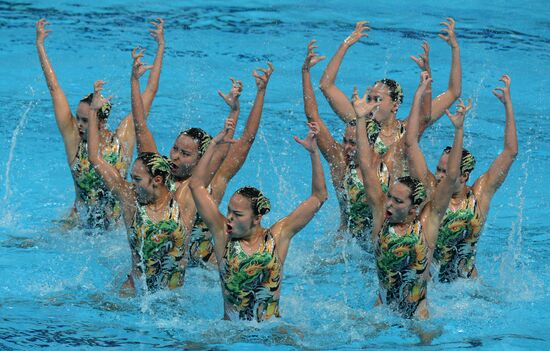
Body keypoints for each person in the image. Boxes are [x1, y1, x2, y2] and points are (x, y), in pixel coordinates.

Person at [131, 51, 274, 266]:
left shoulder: (212, 186)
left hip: (203, 269)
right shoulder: (158, 174)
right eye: (175, 149)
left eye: (186, 154)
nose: (175, 157)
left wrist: (254, 96)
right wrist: (134, 81)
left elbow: (246, 140)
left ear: (201, 160)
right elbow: (140, 128)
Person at [354, 71, 468, 319]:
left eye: (397, 200)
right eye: (389, 198)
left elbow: (449, 178)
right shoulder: (379, 219)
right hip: (381, 313)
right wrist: (361, 119)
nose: (389, 204)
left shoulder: (427, 225)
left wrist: (458, 130)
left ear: (414, 207)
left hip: (419, 316)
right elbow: (365, 164)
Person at [189, 122, 328, 321]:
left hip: (271, 330)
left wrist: (314, 153)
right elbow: (196, 185)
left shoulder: (277, 237)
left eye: (237, 214)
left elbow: (319, 196)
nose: (229, 217)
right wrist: (213, 145)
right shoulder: (222, 235)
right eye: (228, 211)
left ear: (257, 218)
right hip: (229, 331)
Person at [36, 18, 165, 229]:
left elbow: (150, 91)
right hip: (79, 224)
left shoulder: (122, 139)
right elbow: (55, 89)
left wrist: (160, 47)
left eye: (85, 120)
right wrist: (40, 46)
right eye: (78, 118)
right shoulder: (75, 142)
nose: (78, 124)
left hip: (116, 228)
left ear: (102, 121)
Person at [407, 75, 518, 282]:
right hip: (432, 286)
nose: (440, 176)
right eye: (439, 169)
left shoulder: (480, 194)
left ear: (464, 176)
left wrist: (508, 106)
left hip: (467, 286)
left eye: (445, 171)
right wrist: (418, 96)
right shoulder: (431, 189)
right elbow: (411, 144)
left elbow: (510, 152)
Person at [319, 18, 462, 176]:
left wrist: (455, 49)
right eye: (369, 99)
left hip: (400, 197)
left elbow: (453, 92)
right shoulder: (360, 125)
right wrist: (345, 44)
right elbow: (326, 86)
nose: (370, 104)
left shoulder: (409, 128)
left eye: (377, 100)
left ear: (395, 105)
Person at [302, 39, 388, 247]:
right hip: (345, 244)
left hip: (377, 242)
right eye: (345, 141)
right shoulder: (340, 161)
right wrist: (305, 73)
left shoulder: (386, 163)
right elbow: (313, 116)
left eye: (353, 143)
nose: (347, 148)